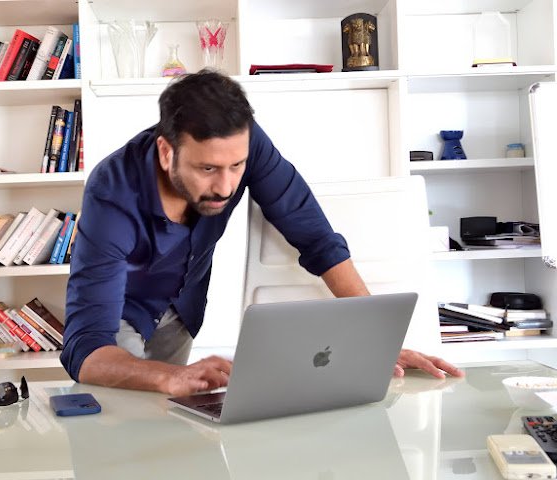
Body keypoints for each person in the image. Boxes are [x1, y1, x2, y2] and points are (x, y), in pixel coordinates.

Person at [60, 70, 464, 396]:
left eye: (236, 166)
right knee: (122, 429)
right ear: (167, 152)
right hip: (120, 311)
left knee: (171, 429)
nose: (225, 187)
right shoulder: (112, 194)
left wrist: (378, 341)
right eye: (207, 169)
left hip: (183, 308)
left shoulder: (246, 144)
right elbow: (87, 348)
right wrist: (165, 376)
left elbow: (315, 237)